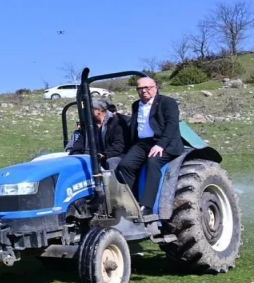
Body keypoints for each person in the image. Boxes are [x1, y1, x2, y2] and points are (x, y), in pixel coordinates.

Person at [116, 77, 184, 215]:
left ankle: (147, 206)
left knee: (153, 162)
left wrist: (161, 145)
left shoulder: (167, 102)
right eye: (140, 88)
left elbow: (172, 125)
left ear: (155, 88)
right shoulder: (136, 105)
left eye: (147, 87)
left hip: (165, 143)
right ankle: (131, 203)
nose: (144, 91)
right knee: (125, 165)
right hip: (143, 143)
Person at [68, 100, 126, 172]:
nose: (87, 112)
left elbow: (119, 145)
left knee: (111, 162)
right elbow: (80, 142)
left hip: (111, 156)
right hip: (92, 157)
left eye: (90, 110)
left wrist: (104, 155)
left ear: (98, 110)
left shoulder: (116, 122)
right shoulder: (89, 125)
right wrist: (75, 154)